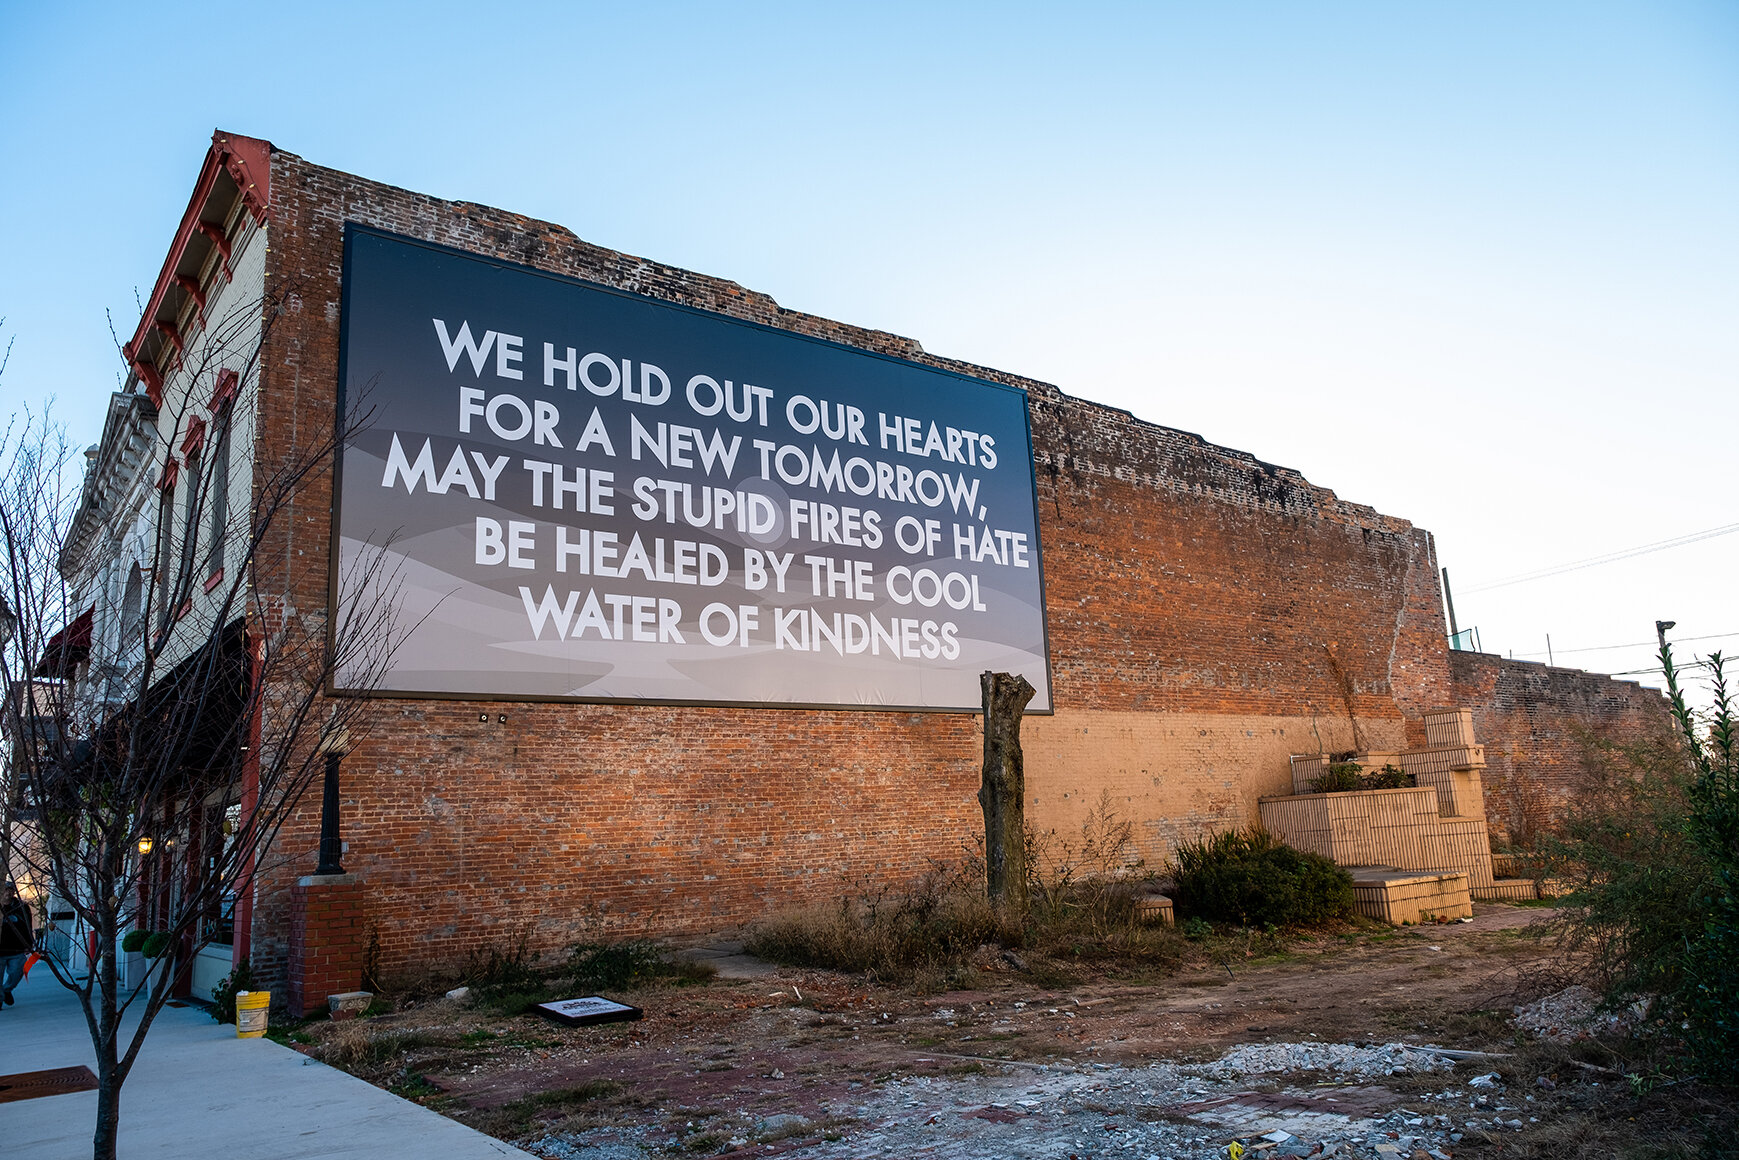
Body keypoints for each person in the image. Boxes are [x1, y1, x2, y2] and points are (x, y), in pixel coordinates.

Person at [0, 880, 34, 1006]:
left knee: (17, 973)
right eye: (5, 890)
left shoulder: (21, 907)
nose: (8, 893)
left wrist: (29, 943)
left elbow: (27, 925)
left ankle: (7, 990)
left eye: (10, 890)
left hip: (17, 948)